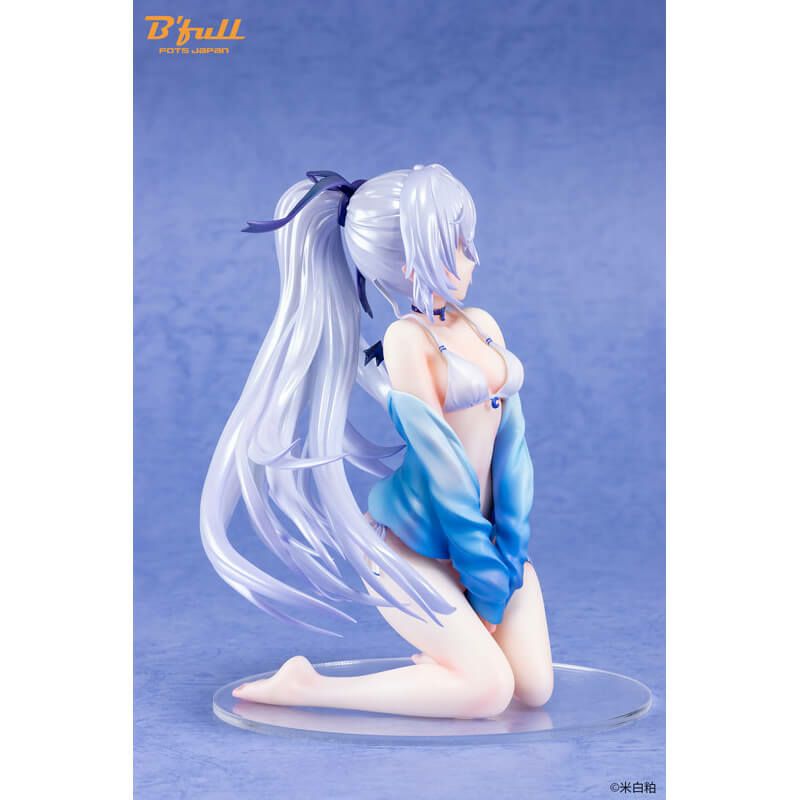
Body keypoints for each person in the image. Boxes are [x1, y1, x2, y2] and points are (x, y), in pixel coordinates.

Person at [200, 165, 553, 719]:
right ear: (413, 261)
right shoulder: (406, 338)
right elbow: (442, 467)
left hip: (486, 539)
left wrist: (508, 554)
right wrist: (485, 585)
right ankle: (307, 688)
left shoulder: (481, 323)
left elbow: (513, 447)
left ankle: (448, 661)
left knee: (534, 690)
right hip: (410, 547)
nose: (475, 258)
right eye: (458, 247)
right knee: (489, 693)